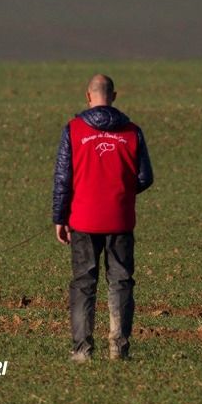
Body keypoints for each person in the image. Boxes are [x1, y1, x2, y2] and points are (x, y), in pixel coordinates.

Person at [52, 74, 153, 362]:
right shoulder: (133, 132)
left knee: (84, 282)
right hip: (120, 219)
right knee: (120, 281)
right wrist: (119, 192)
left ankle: (82, 351)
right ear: (115, 96)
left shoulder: (73, 130)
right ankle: (118, 349)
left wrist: (60, 217)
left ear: (88, 96)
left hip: (82, 220)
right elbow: (145, 177)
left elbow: (62, 178)